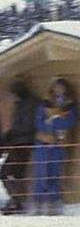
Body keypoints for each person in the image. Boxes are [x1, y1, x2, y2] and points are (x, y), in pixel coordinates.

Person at [30, 78, 77, 216]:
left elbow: (69, 123)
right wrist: (51, 126)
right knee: (41, 173)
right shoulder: (44, 104)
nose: (59, 90)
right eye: (56, 87)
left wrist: (53, 122)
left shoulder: (70, 106)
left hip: (58, 144)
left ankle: (53, 204)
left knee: (54, 173)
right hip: (43, 143)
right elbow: (39, 122)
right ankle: (38, 204)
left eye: (61, 87)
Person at [0, 81, 38, 215]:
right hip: (19, 142)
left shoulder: (29, 105)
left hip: (24, 143)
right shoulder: (21, 105)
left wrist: (13, 133)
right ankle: (17, 200)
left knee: (7, 172)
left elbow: (28, 125)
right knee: (13, 173)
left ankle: (17, 201)